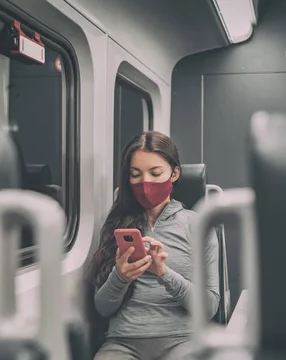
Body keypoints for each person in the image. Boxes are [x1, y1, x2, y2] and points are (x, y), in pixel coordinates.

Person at [88, 131, 220, 360]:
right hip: (123, 343)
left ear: (175, 173)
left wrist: (164, 273)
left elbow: (209, 308)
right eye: (135, 174)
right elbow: (102, 308)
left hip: (182, 341)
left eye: (155, 173)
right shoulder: (117, 225)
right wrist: (120, 276)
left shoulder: (198, 224)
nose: (145, 183)